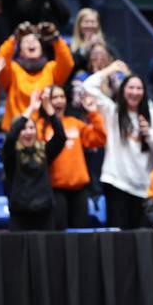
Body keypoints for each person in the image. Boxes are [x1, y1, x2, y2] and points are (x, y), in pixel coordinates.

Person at [83, 60, 153, 229]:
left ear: (144, 92)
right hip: (117, 183)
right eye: (130, 88)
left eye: (139, 88)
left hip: (146, 188)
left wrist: (149, 134)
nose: (134, 92)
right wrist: (110, 69)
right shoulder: (112, 111)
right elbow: (88, 87)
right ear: (122, 90)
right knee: (119, 240)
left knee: (144, 239)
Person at [37, 85, 106, 229]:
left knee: (81, 236)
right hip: (55, 189)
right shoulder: (40, 126)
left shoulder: (75, 123)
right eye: (54, 97)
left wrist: (93, 114)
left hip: (79, 188)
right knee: (59, 237)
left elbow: (99, 139)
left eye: (62, 97)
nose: (59, 101)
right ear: (46, 102)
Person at [2, 89, 66, 231]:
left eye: (32, 128)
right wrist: (31, 108)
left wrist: (49, 109)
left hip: (45, 213)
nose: (28, 132)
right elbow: (11, 137)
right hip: (20, 215)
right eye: (24, 129)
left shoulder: (44, 151)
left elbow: (61, 137)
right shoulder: (11, 154)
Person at [0, 21, 75, 131]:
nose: (31, 43)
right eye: (26, 41)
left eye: (35, 40)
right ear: (20, 51)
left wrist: (56, 38)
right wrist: (14, 39)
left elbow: (68, 63)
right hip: (17, 130)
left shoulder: (50, 68)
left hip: (45, 129)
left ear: (41, 47)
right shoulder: (13, 69)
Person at [70, 7, 112, 74]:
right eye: (86, 22)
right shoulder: (71, 45)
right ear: (79, 24)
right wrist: (87, 48)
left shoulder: (106, 44)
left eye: (93, 22)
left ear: (98, 24)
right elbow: (73, 67)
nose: (89, 25)